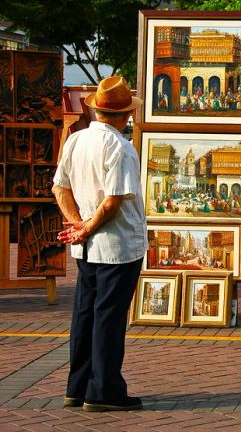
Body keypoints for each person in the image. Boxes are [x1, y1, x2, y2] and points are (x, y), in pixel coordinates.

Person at [52, 76, 147, 413]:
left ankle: (77, 386)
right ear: (125, 115)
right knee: (108, 317)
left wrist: (78, 225)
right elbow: (113, 201)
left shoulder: (75, 140)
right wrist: (87, 226)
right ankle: (103, 389)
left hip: (88, 245)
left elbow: (59, 187)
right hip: (117, 244)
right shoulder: (121, 147)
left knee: (85, 314)